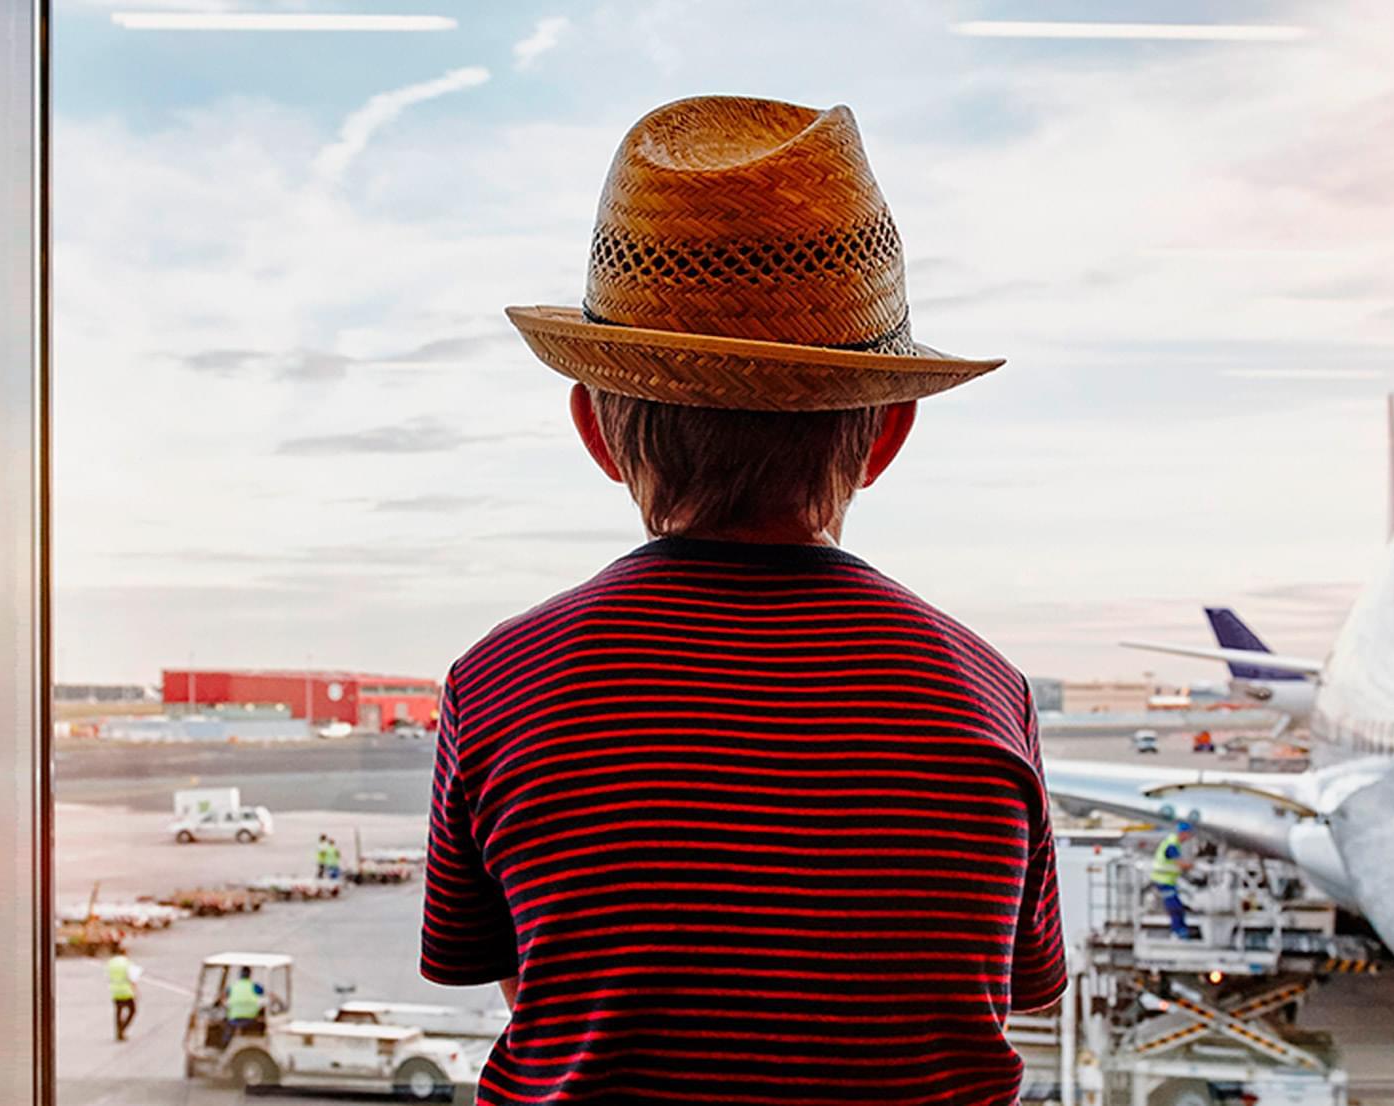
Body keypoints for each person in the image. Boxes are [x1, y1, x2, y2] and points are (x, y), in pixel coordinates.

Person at [422, 95, 1066, 1106]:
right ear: (889, 431)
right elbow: (1009, 993)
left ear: (594, 428)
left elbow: (530, 987)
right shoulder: (987, 694)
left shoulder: (499, 686)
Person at [1152, 821, 1196, 938]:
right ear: (1183, 833)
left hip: (1168, 880)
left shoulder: (1173, 842)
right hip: (1163, 880)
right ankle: (1178, 931)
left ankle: (1180, 929)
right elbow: (1180, 863)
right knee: (1175, 907)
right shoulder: (1172, 845)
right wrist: (1193, 866)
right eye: (1188, 834)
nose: (1189, 838)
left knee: (1177, 906)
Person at [105, 952, 140, 1042]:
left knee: (118, 1012)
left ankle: (118, 1032)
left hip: (115, 990)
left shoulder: (111, 963)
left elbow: (108, 976)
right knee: (132, 1010)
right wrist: (136, 991)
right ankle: (123, 1028)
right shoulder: (127, 963)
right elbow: (132, 977)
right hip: (126, 990)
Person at [223, 965, 267, 1037]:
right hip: (251, 1018)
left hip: (234, 1019)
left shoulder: (232, 987)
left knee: (224, 1024)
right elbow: (265, 994)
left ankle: (223, 1045)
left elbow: (224, 997)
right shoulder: (255, 986)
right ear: (250, 975)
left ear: (239, 975)